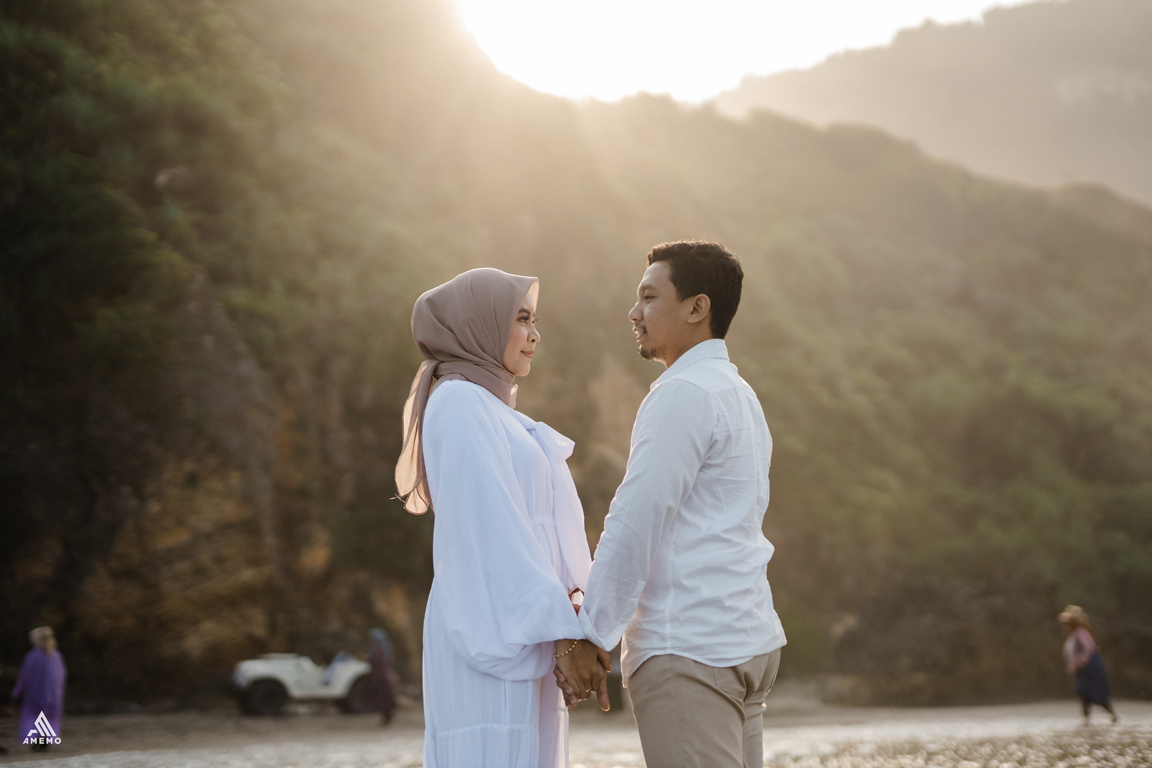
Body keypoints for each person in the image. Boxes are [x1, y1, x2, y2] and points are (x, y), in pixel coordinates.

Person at [558, 241, 787, 768]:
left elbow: (638, 518)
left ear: (696, 307)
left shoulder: (683, 391)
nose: (633, 312)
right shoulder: (739, 393)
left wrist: (591, 633)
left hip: (690, 646)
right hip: (746, 640)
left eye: (648, 297)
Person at [395, 268, 610, 768]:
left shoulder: (496, 411)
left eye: (535, 321)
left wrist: (575, 624)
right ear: (480, 325)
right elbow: (491, 531)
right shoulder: (458, 402)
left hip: (527, 626)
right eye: (521, 319)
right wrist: (564, 635)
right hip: (490, 625)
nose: (535, 335)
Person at [1059, 605, 1117, 725]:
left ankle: (1111, 715)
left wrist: (1078, 664)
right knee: (1083, 693)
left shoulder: (1081, 633)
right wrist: (1073, 665)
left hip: (1090, 668)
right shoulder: (1074, 635)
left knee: (1096, 692)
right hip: (1083, 669)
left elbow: (1088, 650)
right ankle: (1087, 719)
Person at [11, 626, 67, 752]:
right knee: (48, 719)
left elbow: (24, 677)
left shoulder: (33, 657)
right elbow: (61, 676)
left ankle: (37, 741)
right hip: (53, 697)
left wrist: (16, 692)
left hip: (35, 697)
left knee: (34, 719)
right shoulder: (55, 656)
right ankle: (44, 740)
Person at [366, 628, 399, 724]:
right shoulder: (378, 649)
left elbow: (380, 662)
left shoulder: (381, 649)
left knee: (384, 697)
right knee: (382, 697)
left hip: (382, 676)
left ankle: (387, 716)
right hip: (379, 676)